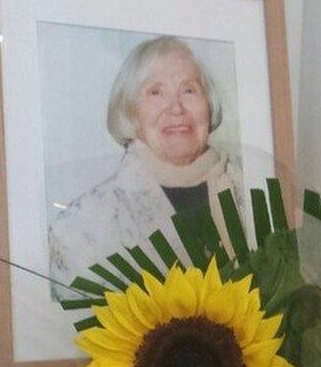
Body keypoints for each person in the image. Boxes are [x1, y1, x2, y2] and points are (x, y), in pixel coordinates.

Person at [49, 36, 241, 300]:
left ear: (209, 105)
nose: (176, 108)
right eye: (156, 92)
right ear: (130, 112)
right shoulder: (80, 227)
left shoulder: (253, 190)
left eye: (189, 90)